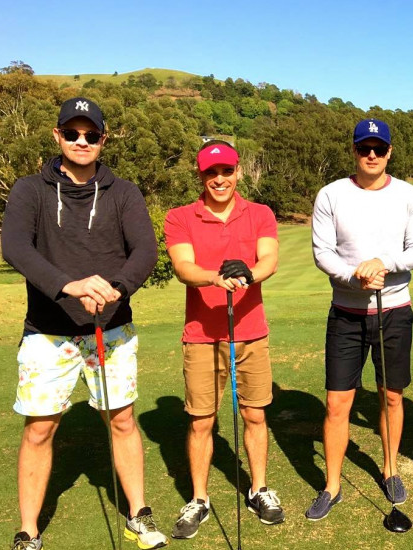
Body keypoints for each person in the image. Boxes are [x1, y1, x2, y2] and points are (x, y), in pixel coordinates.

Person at [2, 97, 167, 550]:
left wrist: (117, 286)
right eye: (72, 133)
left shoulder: (124, 192)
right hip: (47, 333)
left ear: (102, 139)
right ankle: (29, 530)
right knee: (39, 428)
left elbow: (145, 252)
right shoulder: (29, 190)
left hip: (111, 330)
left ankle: (138, 513)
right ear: (57, 136)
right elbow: (16, 248)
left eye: (90, 134)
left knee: (122, 420)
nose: (81, 141)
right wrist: (68, 284)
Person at [307, 119, 413, 520]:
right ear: (354, 151)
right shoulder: (331, 194)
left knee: (391, 395)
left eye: (379, 148)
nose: (371, 155)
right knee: (337, 402)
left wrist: (382, 264)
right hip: (345, 313)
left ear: (390, 151)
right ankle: (332, 485)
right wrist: (354, 275)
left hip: (394, 310)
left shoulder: (409, 195)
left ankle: (390, 469)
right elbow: (322, 252)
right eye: (364, 148)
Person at [164, 140, 283, 539]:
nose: (219, 179)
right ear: (201, 175)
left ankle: (259, 489)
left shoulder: (260, 213)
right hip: (201, 335)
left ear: (238, 172)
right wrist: (216, 277)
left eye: (226, 171)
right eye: (210, 173)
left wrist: (248, 272)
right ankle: (199, 499)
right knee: (202, 421)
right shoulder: (180, 217)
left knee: (255, 414)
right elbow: (183, 267)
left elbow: (269, 260)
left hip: (250, 331)